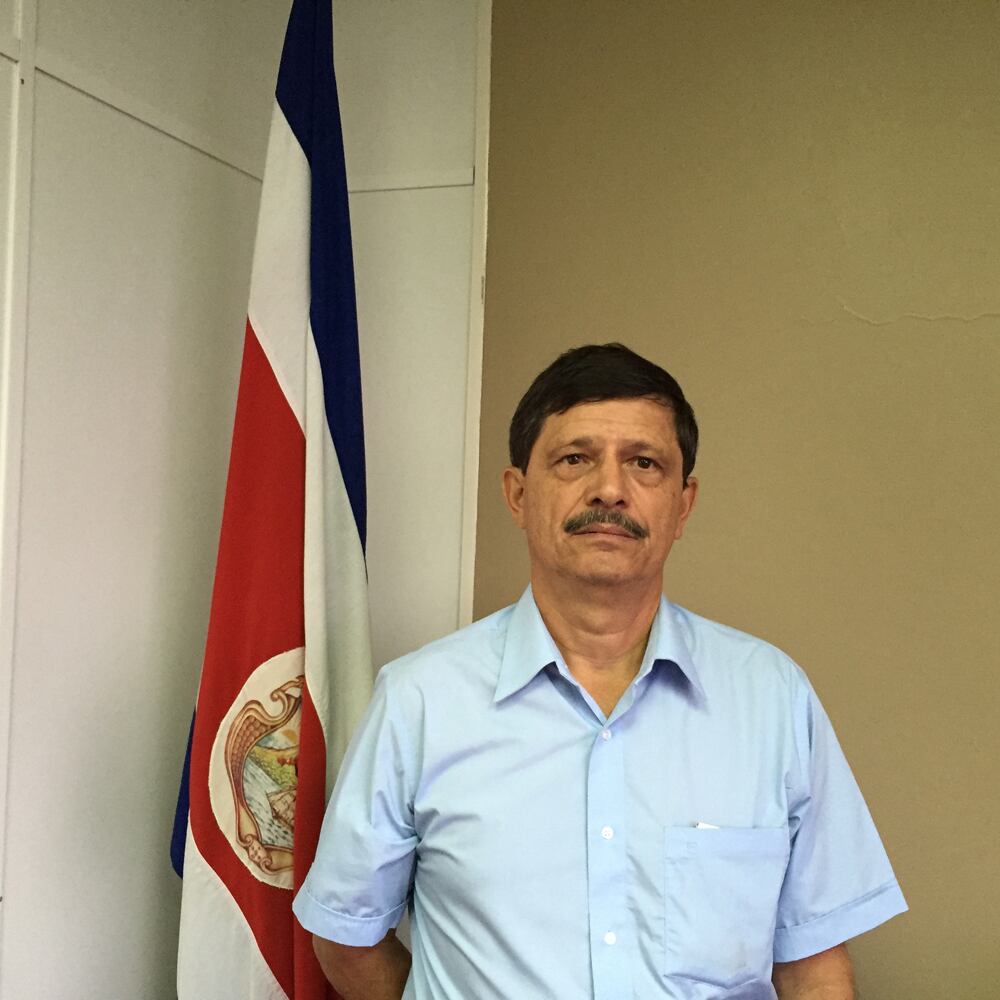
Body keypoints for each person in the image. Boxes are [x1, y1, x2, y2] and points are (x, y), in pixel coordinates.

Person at [293, 343, 907, 1000]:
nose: (610, 489)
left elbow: (812, 965)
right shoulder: (419, 701)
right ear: (518, 495)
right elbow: (346, 936)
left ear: (683, 504)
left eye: (644, 463)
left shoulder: (773, 698)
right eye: (575, 459)